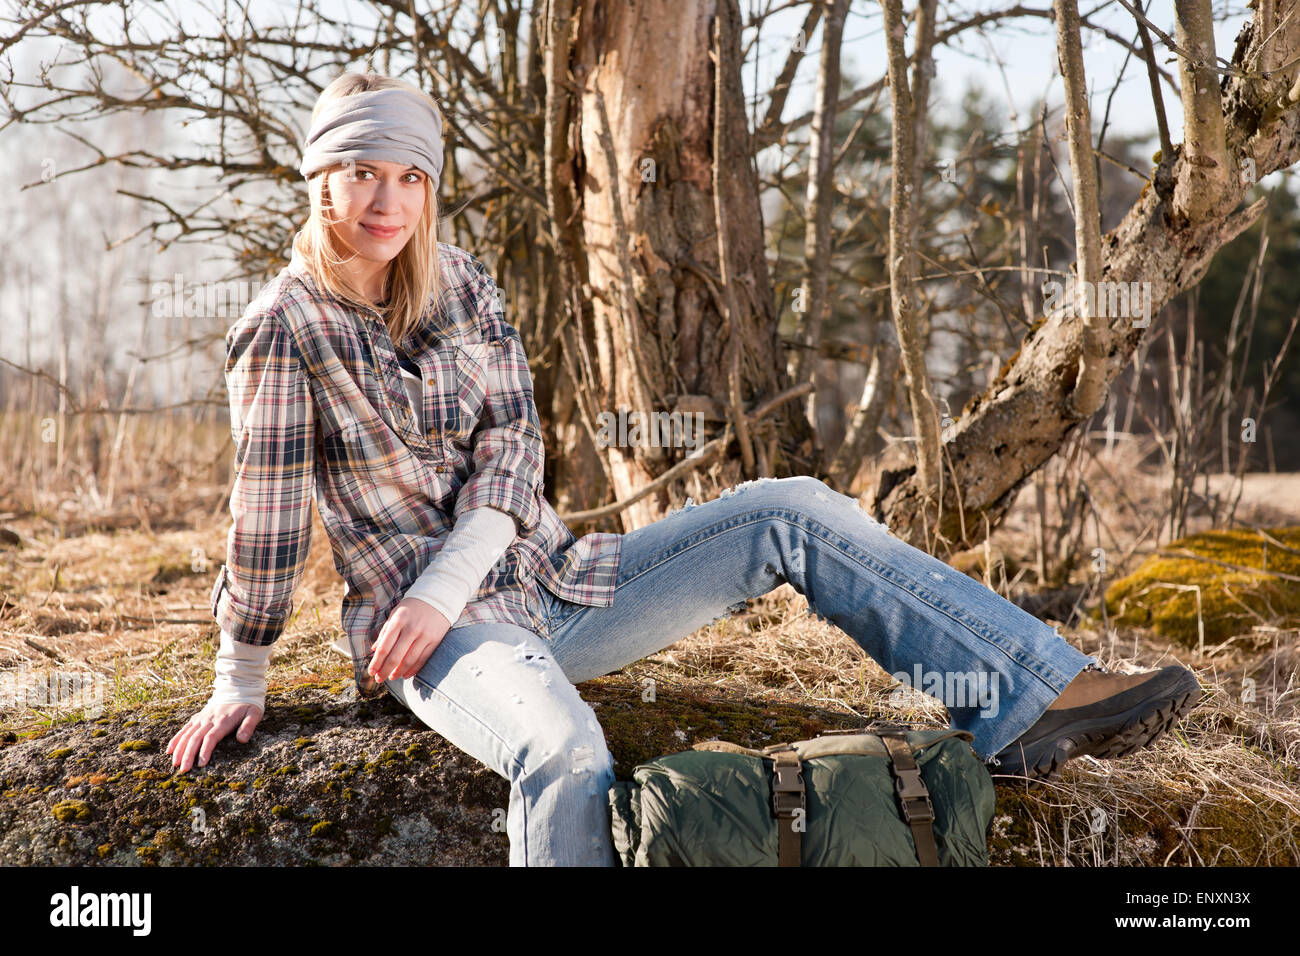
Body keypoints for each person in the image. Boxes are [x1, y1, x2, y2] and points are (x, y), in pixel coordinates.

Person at [166, 70, 1202, 866]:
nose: (387, 199)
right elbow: (262, 522)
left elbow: (514, 451)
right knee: (567, 752)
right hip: (439, 640)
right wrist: (239, 674)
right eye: (362, 172)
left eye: (409, 175)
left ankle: (1025, 696)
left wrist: (459, 571)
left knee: (786, 508)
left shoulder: (461, 286)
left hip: (555, 581)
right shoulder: (281, 327)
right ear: (320, 177)